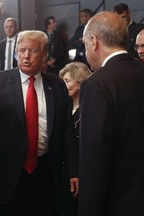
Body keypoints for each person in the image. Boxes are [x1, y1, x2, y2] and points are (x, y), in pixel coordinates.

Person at [79, 11, 144, 216]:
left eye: (84, 44)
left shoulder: (96, 85)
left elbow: (94, 161)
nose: (85, 50)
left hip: (117, 205)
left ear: (94, 41)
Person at [0, 30, 78, 216]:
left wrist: (73, 170)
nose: (26, 56)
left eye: (32, 51)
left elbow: (67, 130)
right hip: (6, 174)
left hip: (46, 173)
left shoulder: (57, 85)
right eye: (21, 50)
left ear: (45, 55)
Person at [58, 62, 91, 216]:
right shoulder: (61, 106)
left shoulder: (91, 108)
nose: (63, 85)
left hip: (83, 170)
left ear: (80, 83)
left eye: (67, 81)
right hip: (63, 171)